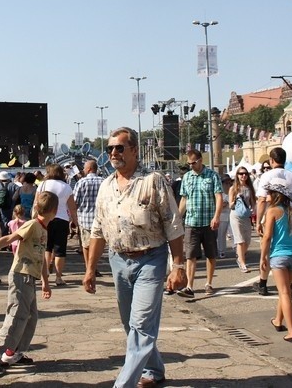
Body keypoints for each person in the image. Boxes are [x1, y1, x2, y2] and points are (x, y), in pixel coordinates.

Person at [83, 127, 186, 388]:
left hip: (150, 259)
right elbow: (98, 229)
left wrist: (179, 266)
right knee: (131, 324)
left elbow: (172, 224)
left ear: (134, 150)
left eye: (120, 147)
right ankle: (154, 369)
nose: (114, 153)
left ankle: (123, 384)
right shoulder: (106, 186)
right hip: (118, 260)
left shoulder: (153, 180)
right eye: (110, 149)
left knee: (141, 323)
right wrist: (90, 269)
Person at [0, 191, 58, 365]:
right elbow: (9, 238)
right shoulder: (32, 225)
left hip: (30, 277)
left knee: (30, 316)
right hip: (21, 274)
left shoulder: (44, 229)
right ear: (55, 210)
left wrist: (45, 282)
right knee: (17, 314)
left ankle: (13, 352)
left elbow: (42, 259)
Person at [260, 178, 292, 343]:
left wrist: (263, 257)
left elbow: (267, 237)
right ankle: (278, 320)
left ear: (275, 194)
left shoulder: (272, 211)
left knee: (284, 293)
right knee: (286, 290)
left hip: (278, 255)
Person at [253, 147, 292, 296]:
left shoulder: (267, 176)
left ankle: (263, 283)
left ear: (271, 160)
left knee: (268, 248)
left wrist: (258, 222)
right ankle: (288, 284)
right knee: (289, 245)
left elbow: (262, 200)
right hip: (289, 215)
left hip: (272, 214)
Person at [176, 148, 223, 298]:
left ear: (201, 160)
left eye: (193, 163)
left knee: (210, 254)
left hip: (208, 221)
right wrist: (177, 218)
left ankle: (208, 282)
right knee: (190, 255)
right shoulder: (187, 177)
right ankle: (189, 286)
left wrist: (216, 216)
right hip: (191, 221)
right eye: (189, 164)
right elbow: (184, 199)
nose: (191, 166)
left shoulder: (212, 176)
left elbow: (219, 197)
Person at [36, 164, 78, 287]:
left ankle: (46, 272)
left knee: (46, 247)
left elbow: (36, 203)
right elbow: (72, 207)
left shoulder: (43, 185)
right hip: (62, 219)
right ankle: (59, 277)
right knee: (60, 249)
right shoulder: (66, 187)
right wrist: (75, 221)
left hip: (44, 219)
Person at [73, 160, 103, 276]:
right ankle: (95, 266)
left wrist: (73, 218)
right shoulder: (103, 182)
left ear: (89, 169)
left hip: (85, 219)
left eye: (85, 168)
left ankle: (89, 268)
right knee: (99, 245)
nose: (83, 170)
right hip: (100, 219)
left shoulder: (81, 183)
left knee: (86, 246)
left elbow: (75, 202)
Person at [229, 166, 256, 273]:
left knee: (247, 240)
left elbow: (253, 202)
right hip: (235, 215)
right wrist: (236, 199)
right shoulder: (233, 188)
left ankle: (239, 256)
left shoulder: (250, 188)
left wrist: (253, 211)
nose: (243, 175)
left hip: (246, 216)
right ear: (237, 176)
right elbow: (230, 205)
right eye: (241, 174)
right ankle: (242, 263)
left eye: (245, 173)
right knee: (240, 240)